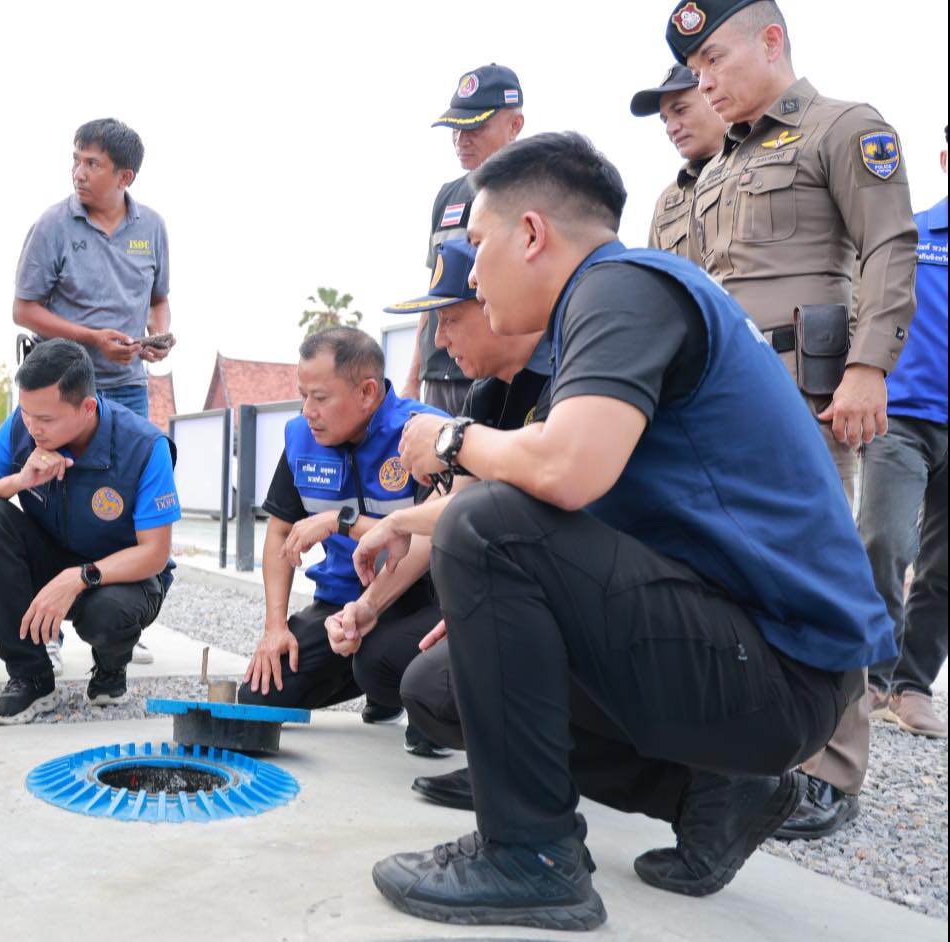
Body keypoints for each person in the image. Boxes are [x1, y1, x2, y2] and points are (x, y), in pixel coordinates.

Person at [358, 132, 891, 930]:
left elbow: (563, 471)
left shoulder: (621, 288)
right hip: (750, 657)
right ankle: (714, 794)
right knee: (444, 682)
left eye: (477, 245)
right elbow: (579, 499)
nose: (470, 273)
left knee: (486, 522)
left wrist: (447, 440)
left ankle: (529, 857)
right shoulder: (614, 301)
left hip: (781, 671)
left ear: (531, 234)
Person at [666, 0, 917, 841]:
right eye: (695, 71)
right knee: (719, 574)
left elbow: (888, 246)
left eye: (716, 61)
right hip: (716, 396)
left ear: (772, 41)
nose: (704, 82)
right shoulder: (717, 170)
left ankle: (834, 770)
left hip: (803, 393)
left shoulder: (845, 128)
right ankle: (745, 751)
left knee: (816, 571)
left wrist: (868, 367)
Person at [336, 239, 546, 808]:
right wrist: (368, 606)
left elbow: (507, 499)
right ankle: (503, 757)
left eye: (450, 319)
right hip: (529, 587)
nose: (439, 340)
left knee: (440, 681)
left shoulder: (566, 373)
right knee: (403, 676)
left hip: (585, 589)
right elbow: (449, 511)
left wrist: (399, 517)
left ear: (494, 300)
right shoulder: (485, 393)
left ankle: (544, 773)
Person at [239, 327, 449, 755]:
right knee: (260, 699)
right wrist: (275, 627)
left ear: (368, 392)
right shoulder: (301, 437)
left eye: (320, 397)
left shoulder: (421, 432)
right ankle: (372, 672)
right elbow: (280, 530)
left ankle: (395, 686)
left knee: (411, 697)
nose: (307, 411)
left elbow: (434, 535)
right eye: (303, 395)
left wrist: (341, 521)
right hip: (339, 604)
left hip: (416, 600)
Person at [0, 340, 180, 725]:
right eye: (27, 413)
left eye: (46, 419)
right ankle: (30, 678)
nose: (33, 427)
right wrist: (17, 480)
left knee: (105, 614)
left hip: (119, 578)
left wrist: (79, 577)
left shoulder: (144, 446)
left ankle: (111, 666)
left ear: (87, 407)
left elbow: (154, 554)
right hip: (53, 557)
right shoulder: (22, 428)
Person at [861, 130, 948, 739]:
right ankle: (868, 672)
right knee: (886, 541)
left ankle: (912, 684)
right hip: (905, 417)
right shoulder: (912, 236)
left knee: (946, 569)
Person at [13, 118, 173, 420]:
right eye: (76, 160)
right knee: (57, 469)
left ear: (124, 177)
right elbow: (23, 311)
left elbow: (158, 300)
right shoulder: (52, 224)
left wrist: (159, 334)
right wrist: (92, 337)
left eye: (92, 164)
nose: (78, 174)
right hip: (61, 387)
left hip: (129, 389)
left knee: (129, 467)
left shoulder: (153, 227)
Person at [401, 64, 524, 415]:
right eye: (456, 128)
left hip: (497, 367)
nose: (461, 139)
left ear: (515, 125)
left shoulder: (536, 190)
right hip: (439, 372)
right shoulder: (447, 196)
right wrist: (414, 376)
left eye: (476, 126)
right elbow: (434, 291)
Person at [629, 63, 727, 258]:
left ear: (714, 96)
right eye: (665, 119)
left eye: (680, 110)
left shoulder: (764, 163)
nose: (670, 128)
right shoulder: (667, 203)